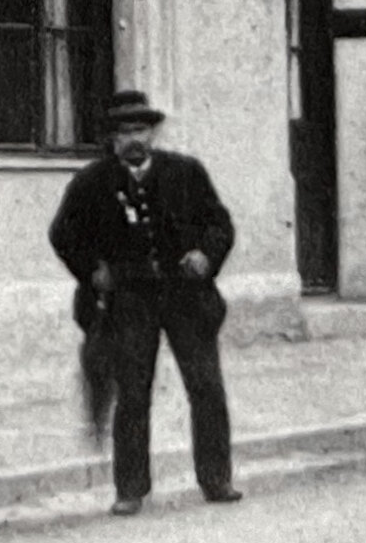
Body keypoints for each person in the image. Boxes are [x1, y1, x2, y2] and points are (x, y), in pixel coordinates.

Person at [48, 88, 240, 516]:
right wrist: (91, 269)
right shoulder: (91, 182)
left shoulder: (186, 172)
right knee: (133, 393)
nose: (133, 139)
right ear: (112, 139)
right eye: (123, 132)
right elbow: (62, 234)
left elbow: (220, 224)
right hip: (129, 300)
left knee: (206, 387)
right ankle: (131, 489)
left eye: (140, 130)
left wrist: (206, 256)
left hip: (186, 296)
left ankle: (216, 479)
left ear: (152, 133)